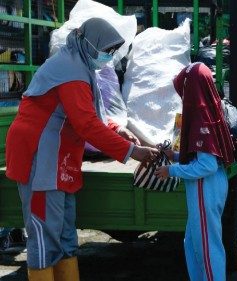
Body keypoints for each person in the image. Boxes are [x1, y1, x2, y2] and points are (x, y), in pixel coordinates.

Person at [5, 18, 158, 281]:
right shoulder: (71, 71)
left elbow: (90, 115)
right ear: (89, 43)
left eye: (112, 52)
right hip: (39, 158)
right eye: (106, 50)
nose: (108, 57)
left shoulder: (81, 66)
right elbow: (86, 124)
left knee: (65, 234)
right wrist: (132, 151)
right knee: (44, 235)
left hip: (56, 157)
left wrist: (116, 129)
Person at [155, 62, 235, 281]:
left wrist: (171, 170)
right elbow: (207, 156)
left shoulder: (199, 115)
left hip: (204, 187)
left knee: (207, 249)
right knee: (193, 244)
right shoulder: (210, 106)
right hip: (211, 184)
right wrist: (176, 156)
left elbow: (206, 165)